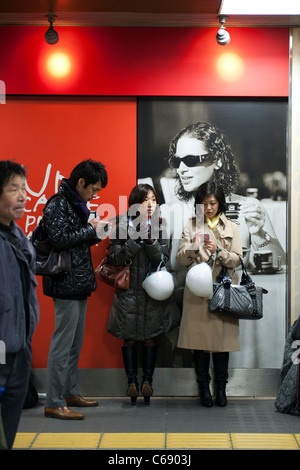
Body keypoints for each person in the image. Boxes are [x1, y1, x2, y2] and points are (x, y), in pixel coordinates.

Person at [161, 121, 286, 304]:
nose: (181, 169)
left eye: (190, 160)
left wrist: (259, 234)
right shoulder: (168, 212)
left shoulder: (247, 207)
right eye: (176, 161)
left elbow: (281, 264)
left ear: (217, 160)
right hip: (187, 318)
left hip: (237, 318)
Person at [42, 159, 108, 420]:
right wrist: (90, 229)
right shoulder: (58, 203)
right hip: (65, 283)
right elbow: (58, 240)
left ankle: (69, 392)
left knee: (73, 345)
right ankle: (54, 401)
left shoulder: (76, 204)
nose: (94, 195)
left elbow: (75, 239)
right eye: (93, 189)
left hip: (78, 283)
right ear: (80, 182)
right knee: (62, 344)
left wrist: (95, 232)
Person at [107, 184, 180, 405]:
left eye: (154, 200)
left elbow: (162, 260)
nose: (150, 204)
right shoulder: (120, 223)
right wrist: (136, 240)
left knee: (150, 338)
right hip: (128, 292)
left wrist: (149, 241)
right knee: (129, 339)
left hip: (152, 291)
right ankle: (131, 384)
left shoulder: (160, 225)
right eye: (145, 200)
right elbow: (114, 259)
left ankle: (147, 382)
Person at [176, 182, 243, 407]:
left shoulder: (232, 227)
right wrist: (195, 247)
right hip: (197, 292)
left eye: (212, 203)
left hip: (223, 291)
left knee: (222, 344)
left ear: (220, 202)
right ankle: (203, 388)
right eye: (203, 204)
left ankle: (221, 389)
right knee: (200, 342)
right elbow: (179, 259)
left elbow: (238, 260)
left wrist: (220, 252)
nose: (208, 208)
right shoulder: (191, 225)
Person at [0, 160, 39, 449]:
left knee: (9, 425)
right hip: (1, 350)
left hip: (19, 348)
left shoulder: (18, 237)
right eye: (13, 188)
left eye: (24, 188)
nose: (23, 195)